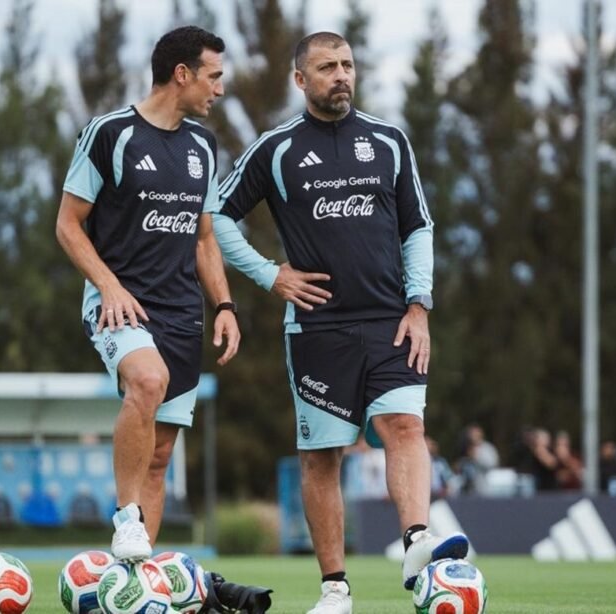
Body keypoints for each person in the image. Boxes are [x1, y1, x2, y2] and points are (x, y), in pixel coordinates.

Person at [213, 31, 467, 614]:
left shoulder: (389, 141)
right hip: (317, 330)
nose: (341, 75)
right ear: (301, 80)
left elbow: (418, 228)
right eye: (327, 66)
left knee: (403, 425)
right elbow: (217, 215)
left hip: (391, 320)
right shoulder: (275, 148)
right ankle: (335, 590)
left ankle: (416, 540)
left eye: (348, 64)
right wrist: (269, 274)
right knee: (322, 456)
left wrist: (419, 304)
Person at [56, 26, 240, 562]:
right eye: (214, 77)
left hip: (183, 314)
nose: (219, 90)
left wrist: (225, 305)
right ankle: (126, 516)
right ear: (181, 74)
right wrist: (108, 285)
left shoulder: (203, 146)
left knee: (159, 458)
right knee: (147, 378)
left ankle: (134, 583)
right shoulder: (109, 133)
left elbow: (203, 236)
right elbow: (68, 225)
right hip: (120, 304)